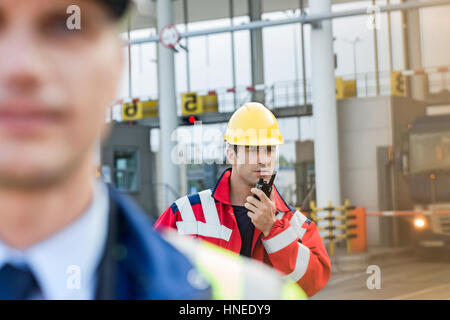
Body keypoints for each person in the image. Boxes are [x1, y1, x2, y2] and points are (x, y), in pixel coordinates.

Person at [0, 0, 307, 300]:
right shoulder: (186, 215)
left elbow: (311, 275)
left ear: (117, 68)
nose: (23, 67)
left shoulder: (252, 293)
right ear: (231, 153)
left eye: (62, 28)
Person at [155, 102, 332, 297]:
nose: (263, 159)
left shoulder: (296, 224)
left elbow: (313, 282)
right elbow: (148, 266)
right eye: (252, 149)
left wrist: (273, 229)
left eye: (269, 150)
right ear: (231, 154)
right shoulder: (184, 213)